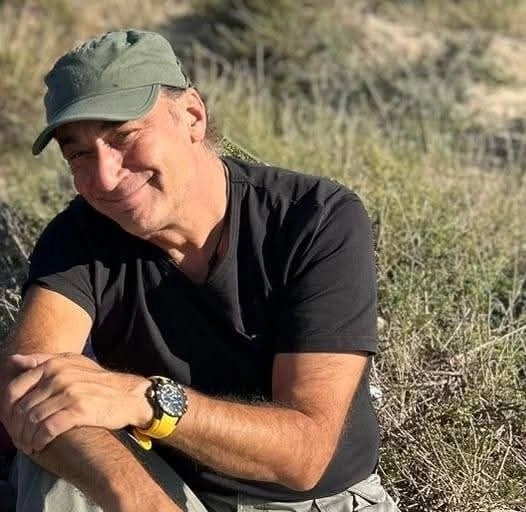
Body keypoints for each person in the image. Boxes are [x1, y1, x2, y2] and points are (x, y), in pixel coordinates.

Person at [0, 30, 399, 512]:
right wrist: (135, 495)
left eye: (124, 136)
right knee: (54, 449)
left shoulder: (313, 218)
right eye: (79, 154)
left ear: (192, 116)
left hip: (314, 502)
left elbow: (305, 456)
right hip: (167, 487)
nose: (104, 177)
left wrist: (145, 400)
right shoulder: (79, 236)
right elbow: (25, 387)